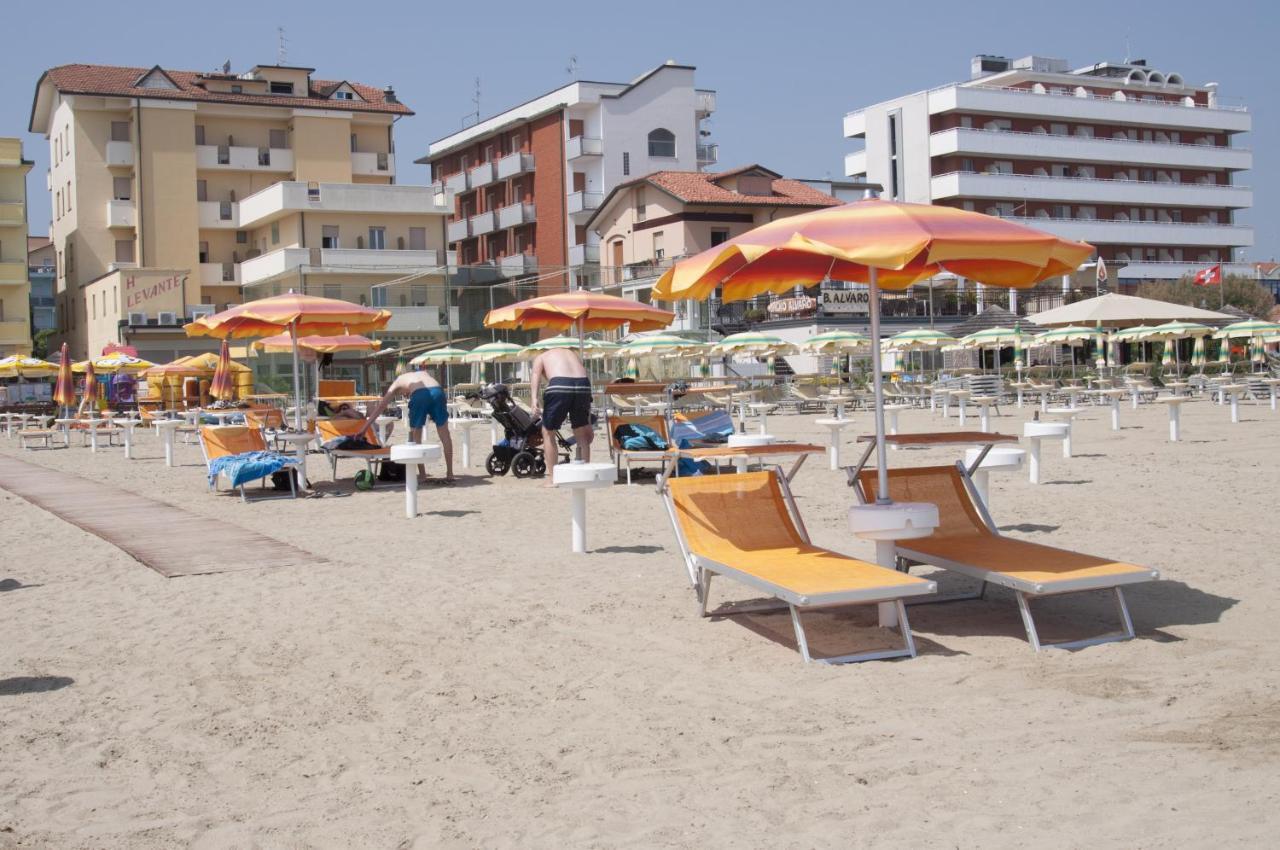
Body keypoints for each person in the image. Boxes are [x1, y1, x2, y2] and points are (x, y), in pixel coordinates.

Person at [360, 369, 454, 484]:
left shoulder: (397, 382)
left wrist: (364, 428)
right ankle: (450, 474)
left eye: (404, 394)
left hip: (420, 394)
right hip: (438, 391)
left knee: (415, 438)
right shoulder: (423, 373)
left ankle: (423, 475)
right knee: (445, 435)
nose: (405, 395)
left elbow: (380, 407)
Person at [529, 346, 593, 483]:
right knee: (580, 432)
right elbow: (583, 372)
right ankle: (586, 476)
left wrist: (534, 399)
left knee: (548, 431)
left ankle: (553, 479)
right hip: (583, 385)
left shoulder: (541, 356)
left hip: (559, 385)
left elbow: (535, 376)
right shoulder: (571, 353)